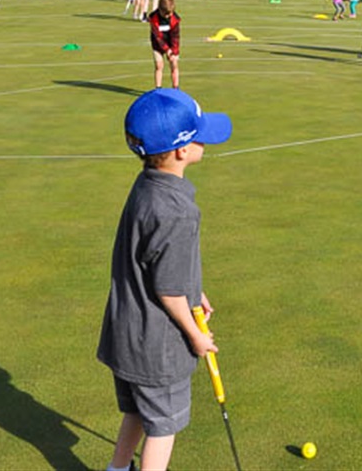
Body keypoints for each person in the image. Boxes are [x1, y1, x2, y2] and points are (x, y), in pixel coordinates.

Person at [98, 87, 233, 471]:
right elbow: (168, 291)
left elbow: (159, 262)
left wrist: (196, 288)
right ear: (180, 151)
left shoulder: (147, 185)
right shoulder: (178, 211)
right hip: (156, 349)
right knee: (162, 428)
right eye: (198, 135)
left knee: (138, 413)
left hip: (126, 336)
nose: (205, 140)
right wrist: (196, 336)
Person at [148, 0, 181, 89]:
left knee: (174, 64)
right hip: (158, 44)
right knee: (159, 65)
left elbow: (176, 36)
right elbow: (157, 36)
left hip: (171, 44)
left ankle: (176, 88)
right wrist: (166, 49)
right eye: (165, 14)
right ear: (160, 10)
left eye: (169, 14)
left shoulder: (175, 19)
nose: (167, 16)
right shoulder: (154, 18)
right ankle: (158, 88)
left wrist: (174, 51)